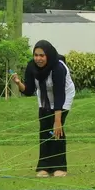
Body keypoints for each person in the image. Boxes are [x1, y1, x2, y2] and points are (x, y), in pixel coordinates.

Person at [12, 40, 75, 177]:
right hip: (44, 98)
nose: (38, 59)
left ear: (48, 55)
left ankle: (60, 167)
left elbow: (59, 95)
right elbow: (29, 91)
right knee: (44, 129)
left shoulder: (58, 68)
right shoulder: (31, 67)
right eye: (36, 55)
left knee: (57, 130)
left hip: (63, 97)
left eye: (42, 55)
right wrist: (18, 83)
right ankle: (44, 167)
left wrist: (57, 121)